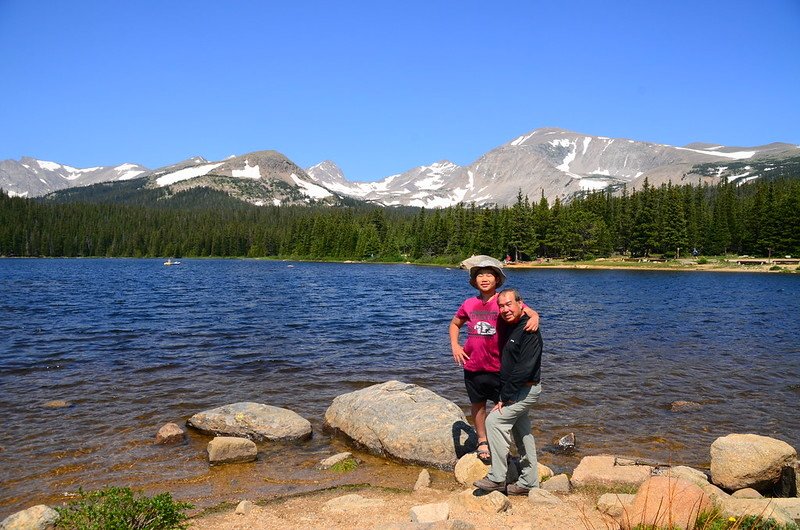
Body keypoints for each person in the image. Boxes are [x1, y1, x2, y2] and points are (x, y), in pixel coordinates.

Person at [449, 256, 539, 464]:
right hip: (473, 366)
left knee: (503, 408)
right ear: (474, 281)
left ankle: (501, 445)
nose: (484, 278)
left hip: (499, 367)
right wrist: (455, 345)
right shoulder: (469, 303)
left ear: (497, 279)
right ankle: (482, 440)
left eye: (489, 274)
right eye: (480, 275)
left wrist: (535, 317)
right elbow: (454, 324)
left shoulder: (503, 301)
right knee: (477, 405)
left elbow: (525, 310)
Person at [473, 288, 543, 495]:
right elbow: (513, 306)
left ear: (520, 303)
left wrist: (505, 397)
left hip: (526, 389)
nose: (505, 309)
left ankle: (497, 477)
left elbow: (524, 369)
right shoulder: (506, 321)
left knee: (494, 421)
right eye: (501, 306)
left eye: (509, 304)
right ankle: (529, 481)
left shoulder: (529, 330)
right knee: (523, 433)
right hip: (515, 389)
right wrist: (534, 312)